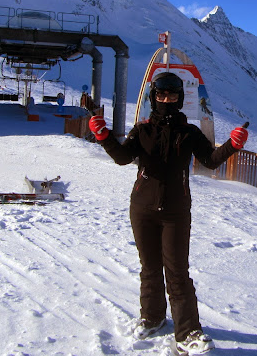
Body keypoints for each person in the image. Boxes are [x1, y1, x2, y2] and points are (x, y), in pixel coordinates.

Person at [89, 72, 248, 354]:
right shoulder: (143, 130)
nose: (166, 100)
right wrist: (104, 137)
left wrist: (231, 146)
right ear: (154, 97)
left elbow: (210, 161)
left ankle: (187, 333)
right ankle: (152, 317)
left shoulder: (190, 133)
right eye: (161, 96)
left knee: (177, 272)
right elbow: (123, 158)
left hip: (175, 211)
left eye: (172, 96)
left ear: (179, 99)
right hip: (142, 208)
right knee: (149, 267)